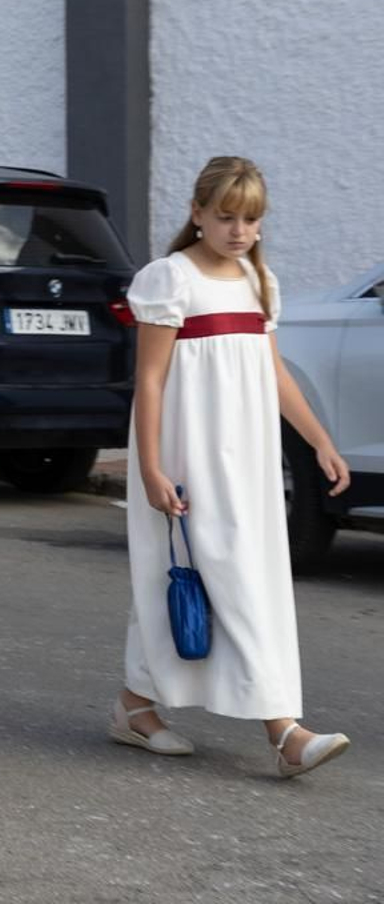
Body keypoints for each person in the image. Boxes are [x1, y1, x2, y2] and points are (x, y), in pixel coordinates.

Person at [110, 156, 352, 777]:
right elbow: (152, 378)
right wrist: (152, 467)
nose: (239, 231)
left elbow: (273, 374)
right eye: (225, 217)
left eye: (251, 220)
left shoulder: (257, 281)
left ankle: (136, 705)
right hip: (189, 455)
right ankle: (284, 733)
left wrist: (321, 440)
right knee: (225, 576)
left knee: (224, 575)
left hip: (247, 457)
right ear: (196, 214)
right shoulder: (171, 279)